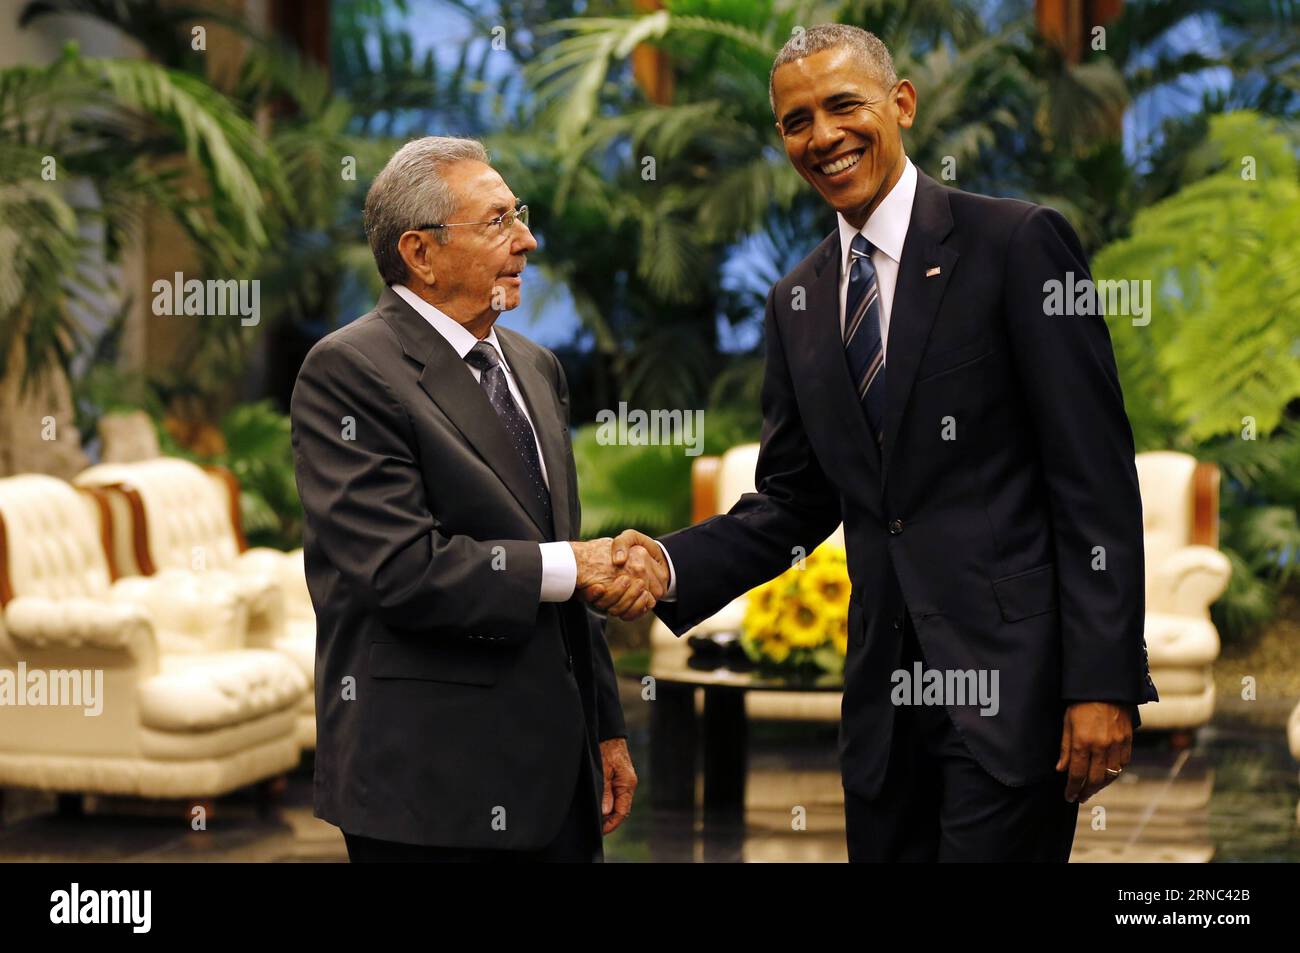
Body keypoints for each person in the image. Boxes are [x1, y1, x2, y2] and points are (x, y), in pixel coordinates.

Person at [604, 24, 1158, 862]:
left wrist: (1104, 681)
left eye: (842, 105)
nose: (821, 136)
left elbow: (1095, 482)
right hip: (884, 717)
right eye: (796, 122)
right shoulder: (797, 301)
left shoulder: (1017, 244)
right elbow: (794, 500)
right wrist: (669, 566)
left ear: (901, 104)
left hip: (1015, 699)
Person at [291, 136, 664, 862]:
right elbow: (401, 570)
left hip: (557, 777)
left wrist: (605, 725)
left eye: (517, 215)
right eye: (496, 221)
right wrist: (571, 566)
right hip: (431, 789)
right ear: (420, 253)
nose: (526, 238)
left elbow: (558, 541)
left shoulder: (535, 364)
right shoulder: (347, 371)